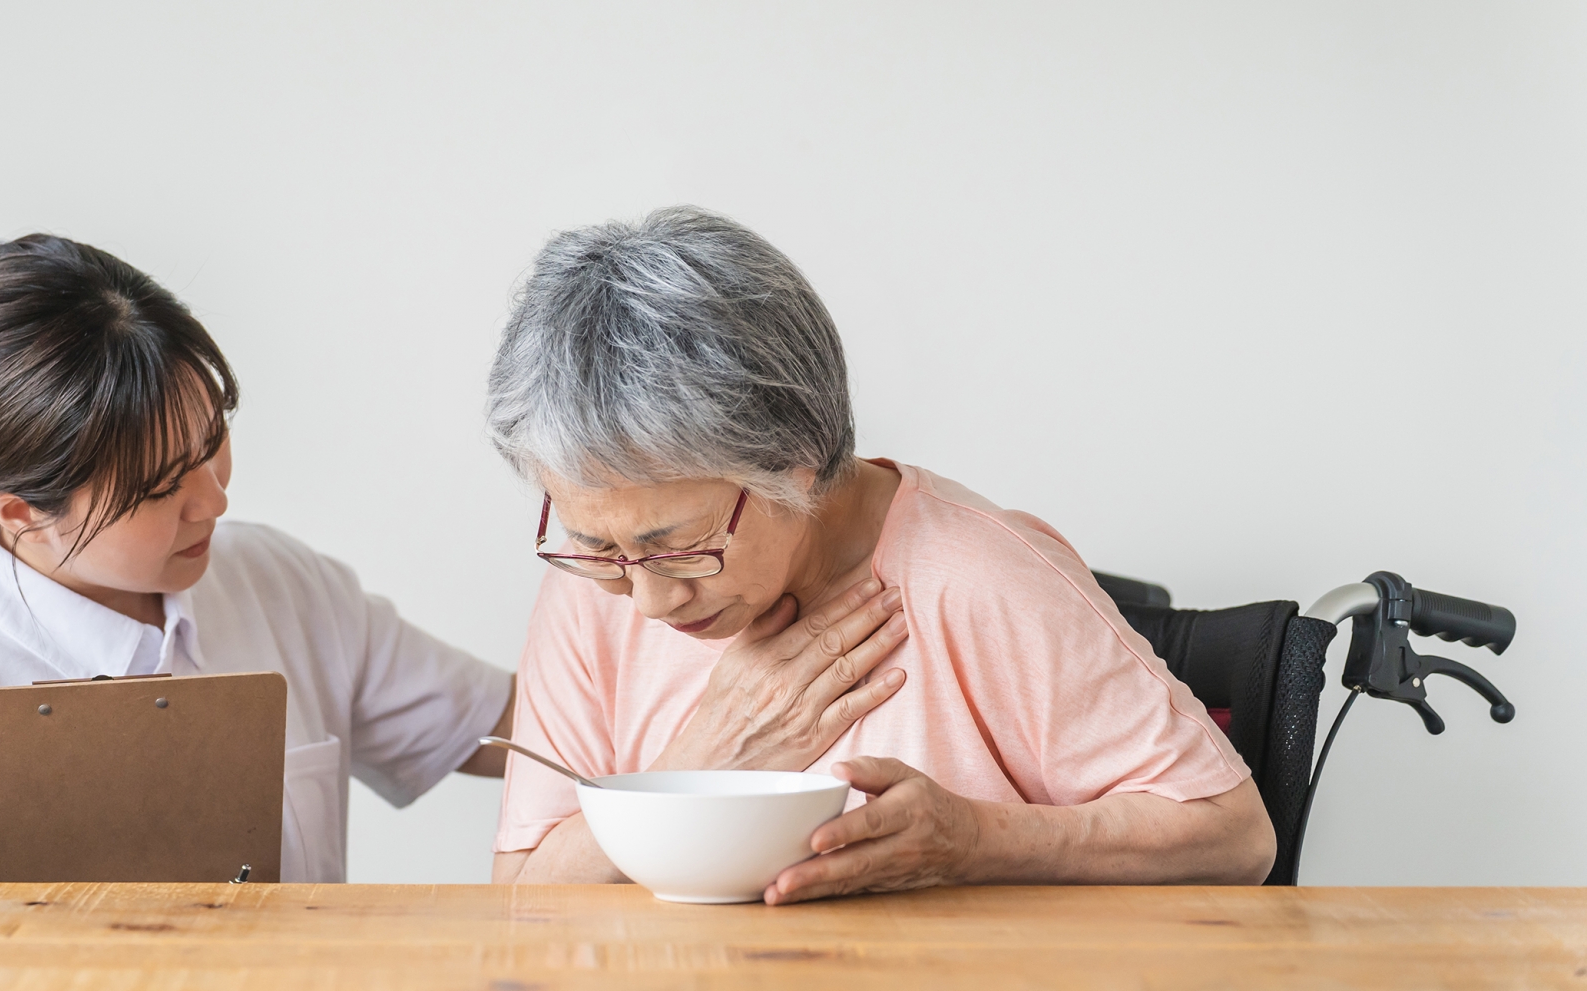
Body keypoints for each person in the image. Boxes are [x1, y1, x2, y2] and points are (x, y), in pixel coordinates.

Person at [0, 233, 898, 882]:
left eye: (213, 443)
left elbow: (531, 733)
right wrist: (692, 756)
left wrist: (765, 706)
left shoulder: (274, 585)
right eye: (159, 488)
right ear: (17, 514)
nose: (214, 497)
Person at [485, 207, 1279, 902]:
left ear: (796, 460)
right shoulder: (591, 592)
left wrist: (978, 842)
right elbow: (520, 896)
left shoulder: (978, 578)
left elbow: (1234, 837)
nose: (649, 602)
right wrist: (703, 759)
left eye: (680, 547)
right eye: (596, 544)